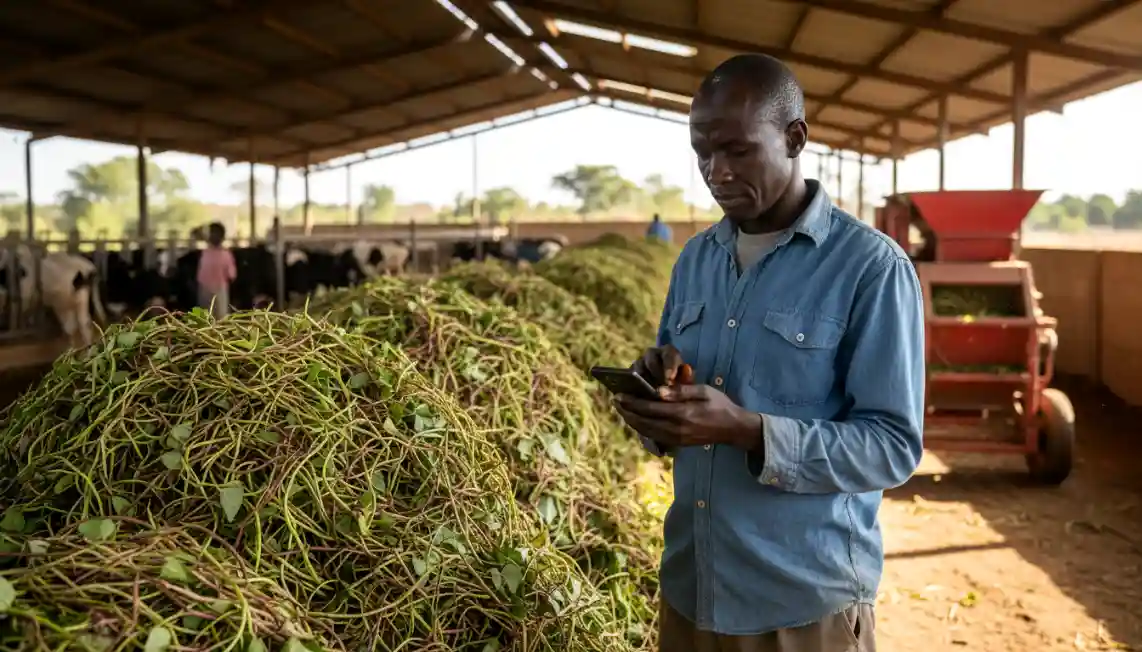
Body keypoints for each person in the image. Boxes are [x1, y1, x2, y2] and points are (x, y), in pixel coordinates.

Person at [613, 53, 925, 652]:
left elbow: (892, 446)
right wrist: (658, 396)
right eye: (702, 153)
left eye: (736, 151)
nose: (716, 172)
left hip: (800, 605)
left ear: (794, 137)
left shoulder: (869, 269)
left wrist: (749, 430)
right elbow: (678, 390)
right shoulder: (697, 259)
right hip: (691, 587)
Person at [196, 222, 236, 319]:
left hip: (218, 290)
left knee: (218, 319)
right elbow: (231, 275)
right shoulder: (205, 253)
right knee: (207, 318)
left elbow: (231, 276)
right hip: (207, 289)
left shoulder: (224, 254)